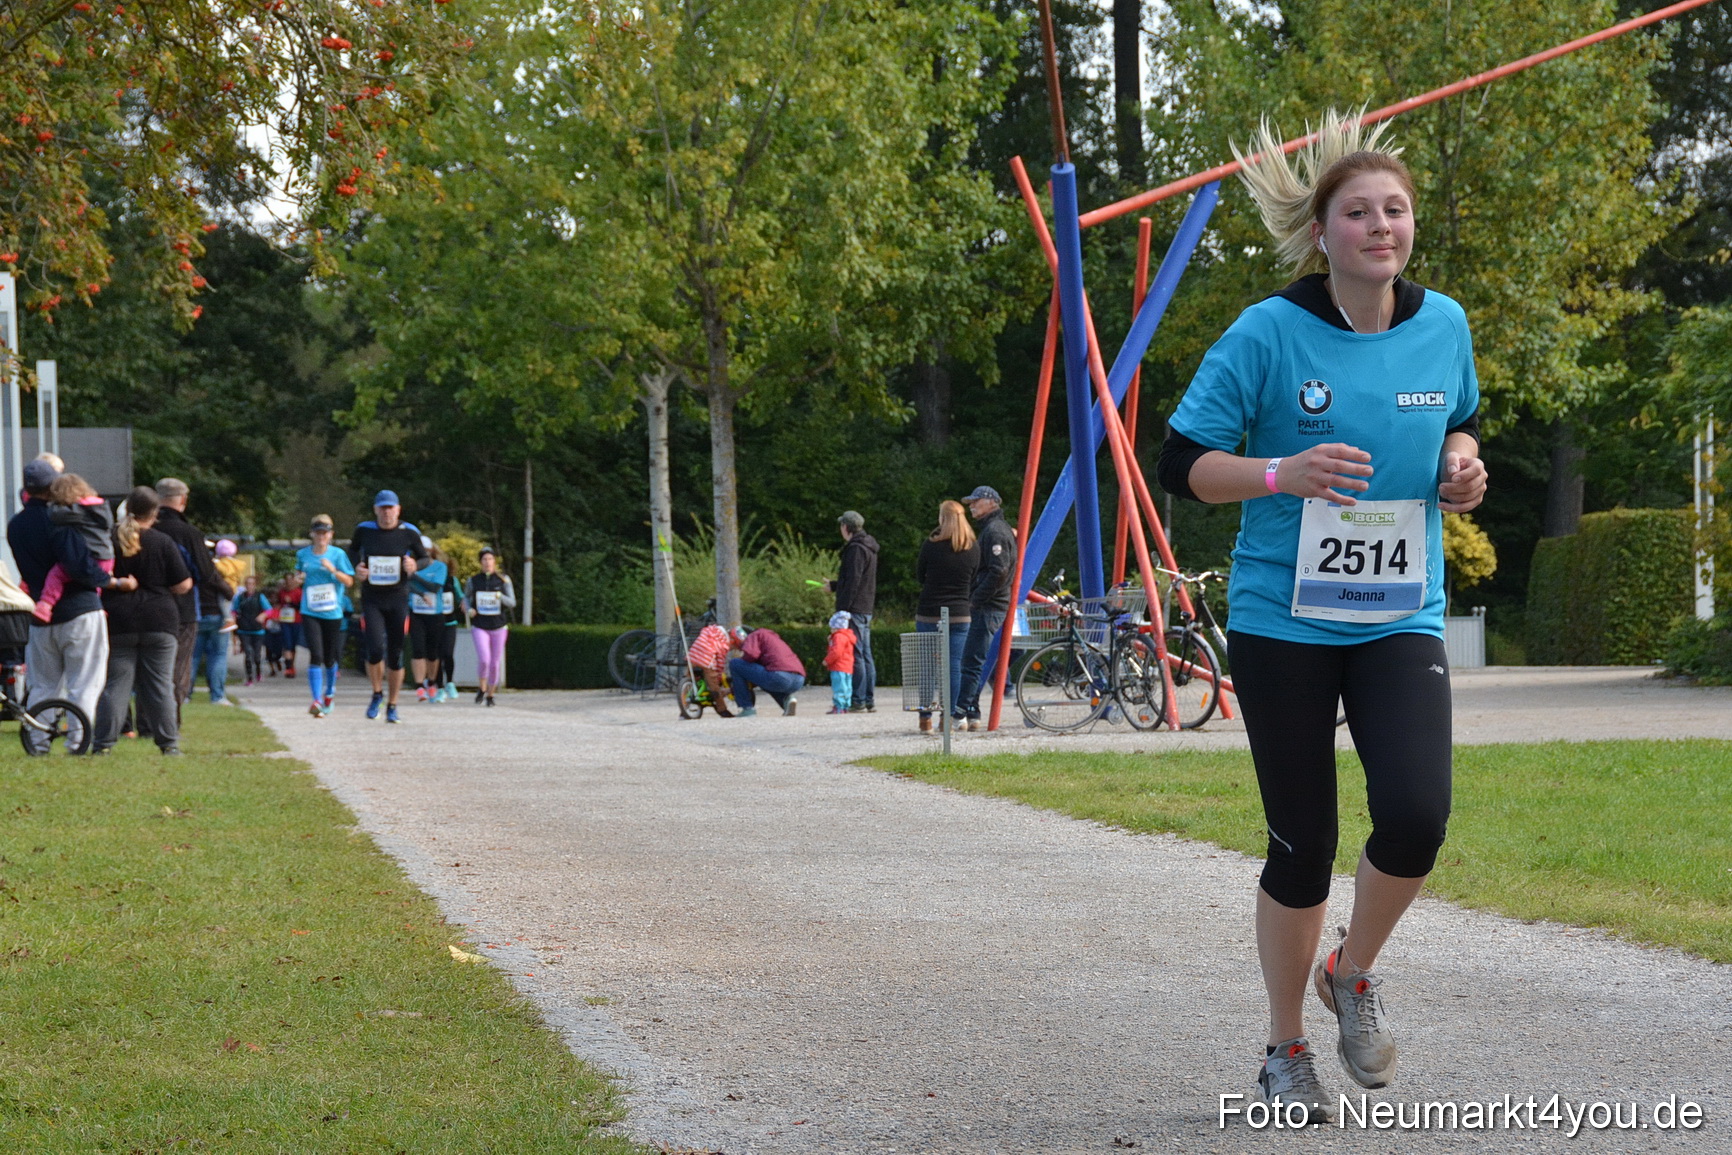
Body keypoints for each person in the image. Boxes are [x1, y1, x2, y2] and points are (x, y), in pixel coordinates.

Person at [1155, 110, 1487, 1124]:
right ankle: (1283, 1043)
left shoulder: (1445, 325)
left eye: (1395, 209)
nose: (1380, 225)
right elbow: (1182, 466)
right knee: (1301, 839)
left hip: (1399, 614)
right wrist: (1278, 472)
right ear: (1322, 232)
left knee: (1418, 813)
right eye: (1358, 212)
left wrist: (1463, 466)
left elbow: (1460, 425)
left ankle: (1351, 969)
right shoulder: (1266, 332)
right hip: (1282, 618)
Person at [7, 458, 133, 752]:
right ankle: (78, 741)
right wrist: (113, 582)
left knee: (42, 685)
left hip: (40, 614)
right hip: (80, 609)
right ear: (53, 485)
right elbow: (78, 565)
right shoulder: (61, 518)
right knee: (84, 682)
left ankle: (37, 740)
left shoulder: (16, 525)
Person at [93, 487, 191, 755]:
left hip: (118, 621)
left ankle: (103, 744)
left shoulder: (109, 539)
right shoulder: (162, 541)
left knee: (116, 684)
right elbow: (183, 584)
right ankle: (169, 744)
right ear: (155, 512)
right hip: (159, 620)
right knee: (160, 685)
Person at [347, 490, 427, 723]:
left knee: (395, 654)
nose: (386, 513)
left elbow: (424, 558)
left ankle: (393, 704)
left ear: (398, 509)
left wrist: (415, 564)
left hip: (398, 598)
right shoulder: (364, 530)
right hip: (372, 599)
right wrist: (358, 568)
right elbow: (352, 552)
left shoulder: (409, 532)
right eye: (382, 508)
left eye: (390, 508)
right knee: (373, 648)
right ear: (375, 510)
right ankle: (376, 693)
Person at [153, 478, 227, 712]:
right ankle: (170, 722)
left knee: (149, 669)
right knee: (179, 666)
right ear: (183, 500)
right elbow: (206, 572)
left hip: (146, 607)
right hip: (182, 609)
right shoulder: (190, 533)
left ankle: (145, 724)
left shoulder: (147, 529)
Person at [914, 499, 978, 733]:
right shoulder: (973, 547)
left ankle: (925, 719)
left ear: (943, 518)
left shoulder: (931, 544)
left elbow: (920, 576)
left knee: (927, 667)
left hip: (929, 612)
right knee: (953, 667)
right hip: (960, 614)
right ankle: (948, 719)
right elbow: (973, 580)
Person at [953, 485, 1014, 731]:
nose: (971, 506)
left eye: (976, 501)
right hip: (991, 603)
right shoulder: (994, 529)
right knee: (974, 659)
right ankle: (973, 711)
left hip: (989, 605)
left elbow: (999, 570)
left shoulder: (995, 531)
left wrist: (976, 599)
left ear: (992, 502)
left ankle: (959, 714)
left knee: (971, 662)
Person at [31, 472, 115, 623]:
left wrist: (52, 505)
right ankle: (97, 604)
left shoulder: (76, 511)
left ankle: (46, 604)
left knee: (56, 574)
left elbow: (56, 515)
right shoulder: (100, 507)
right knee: (94, 583)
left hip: (92, 556)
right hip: (107, 557)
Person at [296, 514, 356, 718]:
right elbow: (297, 576)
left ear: (331, 535)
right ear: (312, 534)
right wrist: (299, 579)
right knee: (316, 655)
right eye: (318, 533)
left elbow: (349, 581)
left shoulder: (338, 555)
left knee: (330, 658)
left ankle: (329, 692)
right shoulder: (303, 555)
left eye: (325, 533)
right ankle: (316, 700)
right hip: (310, 610)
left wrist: (333, 571)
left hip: (332, 612)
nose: (321, 536)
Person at [826, 510, 878, 712]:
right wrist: (834, 585)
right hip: (865, 605)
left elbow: (853, 581)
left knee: (856, 654)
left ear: (845, 527)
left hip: (854, 608)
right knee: (865, 654)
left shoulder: (855, 549)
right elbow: (855, 580)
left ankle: (858, 700)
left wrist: (843, 610)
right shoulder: (869, 546)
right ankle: (868, 699)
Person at [464, 546, 514, 706]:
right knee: (484, 659)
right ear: (480, 562)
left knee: (495, 662)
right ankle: (482, 687)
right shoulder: (473, 580)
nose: (487, 562)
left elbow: (512, 602)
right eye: (484, 559)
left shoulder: (503, 580)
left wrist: (499, 597)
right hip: (480, 625)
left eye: (490, 559)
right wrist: (469, 609)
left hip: (499, 626)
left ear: (494, 562)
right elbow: (465, 599)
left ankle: (491, 694)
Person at [409, 535, 453, 703]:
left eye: (426, 551)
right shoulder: (410, 566)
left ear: (431, 551)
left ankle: (432, 681)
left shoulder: (440, 567)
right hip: (417, 613)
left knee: (433, 652)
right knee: (418, 649)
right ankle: (419, 685)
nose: (423, 554)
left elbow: (435, 587)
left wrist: (416, 577)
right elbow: (406, 585)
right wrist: (419, 590)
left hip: (435, 614)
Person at [726, 625, 804, 717]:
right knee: (766, 680)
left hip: (779, 677)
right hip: (798, 679)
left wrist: (743, 662)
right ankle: (787, 700)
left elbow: (751, 655)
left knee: (735, 664)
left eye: (735, 645)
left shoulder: (754, 636)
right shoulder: (769, 636)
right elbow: (756, 677)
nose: (738, 649)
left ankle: (747, 708)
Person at [682, 620, 735, 718]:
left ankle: (683, 710)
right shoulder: (724, 643)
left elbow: (703, 632)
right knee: (714, 686)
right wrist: (719, 672)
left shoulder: (710, 630)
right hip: (706, 660)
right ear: (731, 640)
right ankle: (722, 710)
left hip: (692, 656)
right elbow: (720, 660)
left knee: (689, 680)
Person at [231, 574, 270, 686]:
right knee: (248, 654)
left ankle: (258, 672)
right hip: (244, 630)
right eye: (247, 584)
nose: (249, 586)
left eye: (252, 584)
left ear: (255, 585)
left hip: (258, 630)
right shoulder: (240, 597)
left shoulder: (260, 596)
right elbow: (234, 610)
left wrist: (263, 615)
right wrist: (234, 619)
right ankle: (249, 678)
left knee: (257, 656)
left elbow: (269, 610)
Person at [822, 611, 855, 715]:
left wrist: (827, 660)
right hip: (847, 667)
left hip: (838, 666)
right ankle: (845, 706)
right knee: (847, 687)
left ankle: (839, 707)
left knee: (839, 687)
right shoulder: (847, 636)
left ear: (836, 627)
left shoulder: (838, 636)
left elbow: (836, 651)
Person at [274, 568, 303, 678]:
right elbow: (278, 604)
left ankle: (292, 666)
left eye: (291, 580)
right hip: (285, 621)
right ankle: (288, 668)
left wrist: (291, 603)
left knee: (293, 645)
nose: (289, 582)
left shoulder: (299, 592)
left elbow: (302, 607)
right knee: (287, 644)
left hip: (296, 621)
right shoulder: (282, 592)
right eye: (287, 580)